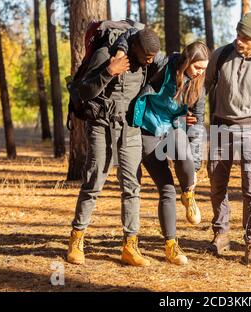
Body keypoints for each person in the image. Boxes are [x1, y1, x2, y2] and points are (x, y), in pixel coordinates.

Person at [67, 27, 163, 267]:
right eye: (147, 56)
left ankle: (130, 245)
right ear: (135, 48)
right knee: (94, 182)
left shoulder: (147, 62)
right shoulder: (104, 55)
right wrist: (110, 71)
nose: (150, 61)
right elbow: (83, 92)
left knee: (132, 185)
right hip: (101, 125)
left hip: (129, 127)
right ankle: (76, 239)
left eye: (152, 57)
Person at [114, 38, 209, 265]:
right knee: (166, 188)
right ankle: (171, 246)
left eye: (204, 69)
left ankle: (188, 194)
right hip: (148, 129)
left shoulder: (199, 88)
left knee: (187, 158)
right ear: (187, 61)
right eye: (197, 67)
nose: (199, 73)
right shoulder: (163, 63)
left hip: (173, 128)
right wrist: (119, 51)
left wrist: (195, 165)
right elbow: (133, 38)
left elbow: (196, 124)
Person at [205, 12, 251, 266]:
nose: (239, 41)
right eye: (238, 35)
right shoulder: (220, 55)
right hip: (219, 127)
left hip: (250, 131)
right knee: (217, 183)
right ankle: (221, 233)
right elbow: (203, 88)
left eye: (246, 38)